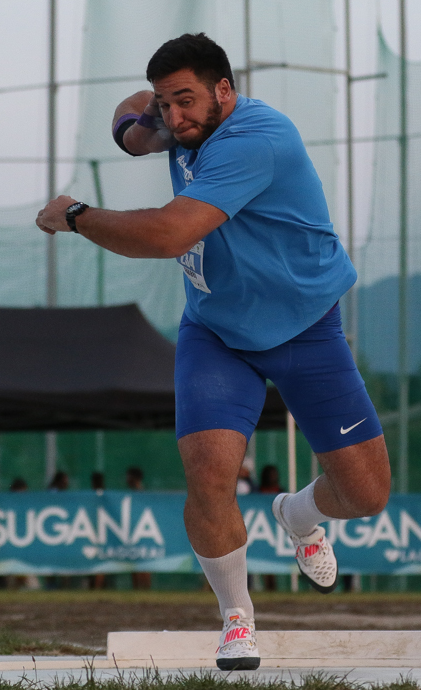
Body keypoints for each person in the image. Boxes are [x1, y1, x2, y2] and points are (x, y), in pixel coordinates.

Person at [36, 33, 391, 670]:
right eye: (167, 104)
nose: (176, 117)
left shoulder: (256, 139)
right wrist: (138, 131)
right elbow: (130, 108)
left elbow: (169, 235)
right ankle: (236, 619)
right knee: (207, 474)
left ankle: (297, 513)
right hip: (217, 332)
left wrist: (78, 214)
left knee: (367, 495)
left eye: (186, 101)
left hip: (305, 328)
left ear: (225, 90)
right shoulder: (181, 123)